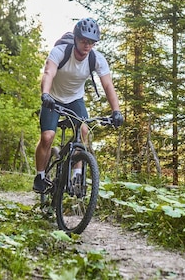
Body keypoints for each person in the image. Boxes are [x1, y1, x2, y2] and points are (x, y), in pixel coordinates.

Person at [33, 17, 124, 193]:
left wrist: (116, 111)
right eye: (83, 41)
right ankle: (40, 176)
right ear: (75, 39)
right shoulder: (60, 51)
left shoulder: (96, 59)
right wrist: (45, 94)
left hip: (75, 99)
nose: (87, 46)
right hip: (52, 97)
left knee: (82, 131)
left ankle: (76, 177)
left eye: (91, 42)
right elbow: (49, 73)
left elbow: (107, 85)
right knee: (47, 137)